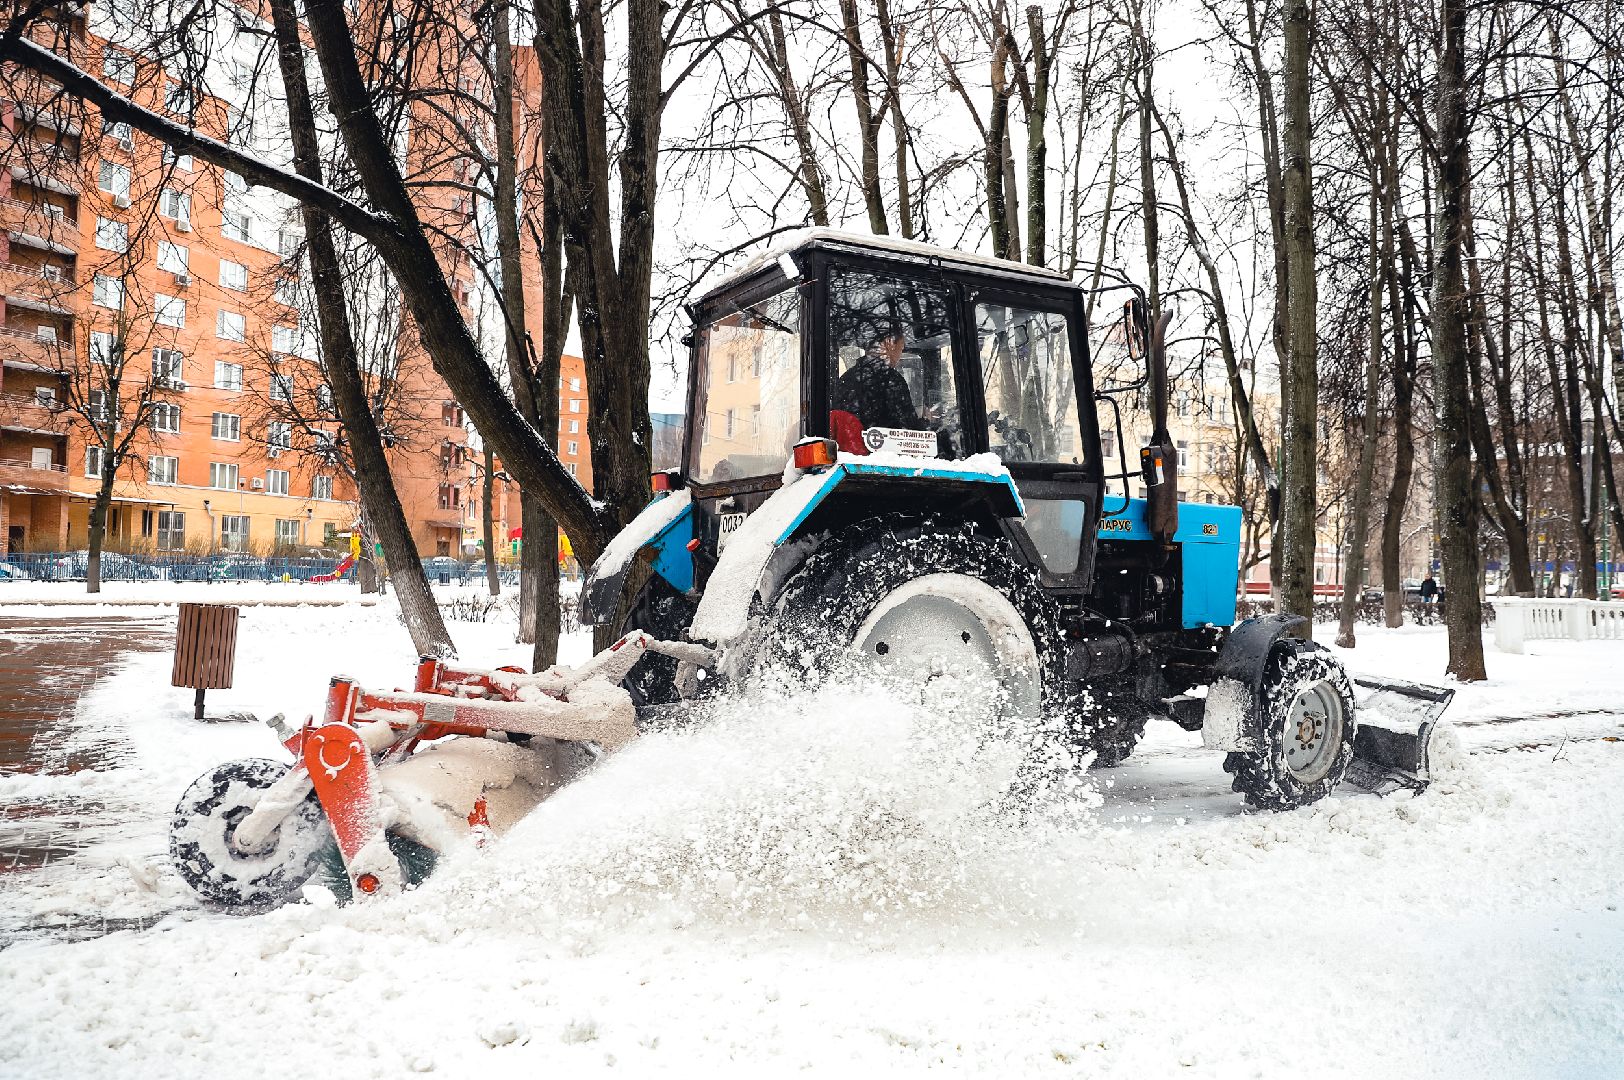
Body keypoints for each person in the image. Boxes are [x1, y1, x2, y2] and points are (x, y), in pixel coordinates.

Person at [830, 328, 931, 430]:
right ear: (889, 343)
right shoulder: (890, 379)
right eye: (901, 349)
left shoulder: (848, 377)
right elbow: (908, 428)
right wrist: (926, 421)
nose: (900, 356)